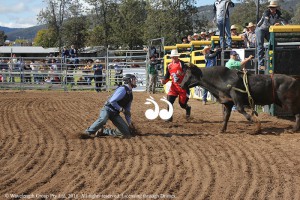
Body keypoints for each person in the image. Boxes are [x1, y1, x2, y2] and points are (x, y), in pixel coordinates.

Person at [83, 74, 137, 138]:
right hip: (107, 109)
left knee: (126, 133)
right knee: (103, 119)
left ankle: (105, 131)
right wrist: (121, 109)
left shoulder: (130, 95)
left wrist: (129, 123)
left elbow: (127, 111)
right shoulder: (122, 89)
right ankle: (88, 132)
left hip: (115, 113)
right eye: (134, 79)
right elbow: (112, 101)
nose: (135, 81)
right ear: (129, 81)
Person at [161, 49, 191, 122]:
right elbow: (167, 77)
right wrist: (164, 81)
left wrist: (182, 73)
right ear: (171, 57)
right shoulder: (169, 66)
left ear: (177, 57)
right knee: (169, 101)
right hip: (174, 87)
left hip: (183, 88)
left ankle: (187, 108)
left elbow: (188, 74)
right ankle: (169, 117)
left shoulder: (182, 64)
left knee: (182, 104)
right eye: (173, 57)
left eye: (175, 56)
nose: (174, 58)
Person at [255, 1, 285, 70]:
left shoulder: (278, 13)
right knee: (260, 45)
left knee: (274, 43)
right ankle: (260, 64)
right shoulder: (266, 13)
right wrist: (273, 25)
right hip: (260, 29)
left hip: (268, 30)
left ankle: (272, 59)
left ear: (276, 8)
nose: (272, 9)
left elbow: (283, 20)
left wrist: (286, 25)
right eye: (271, 7)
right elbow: (266, 22)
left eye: (273, 7)